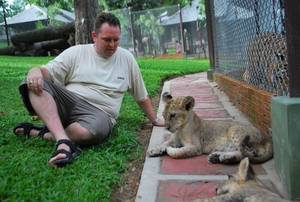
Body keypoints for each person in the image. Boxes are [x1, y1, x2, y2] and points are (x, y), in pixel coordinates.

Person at [13, 12, 165, 167]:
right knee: (32, 82)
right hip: (68, 102)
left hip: (99, 114)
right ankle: (63, 141)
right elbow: (48, 72)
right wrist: (35, 71)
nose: (112, 45)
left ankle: (40, 133)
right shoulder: (77, 52)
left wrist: (155, 119)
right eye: (107, 39)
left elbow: (140, 95)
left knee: (86, 133)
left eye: (116, 40)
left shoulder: (126, 58)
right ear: (94, 35)